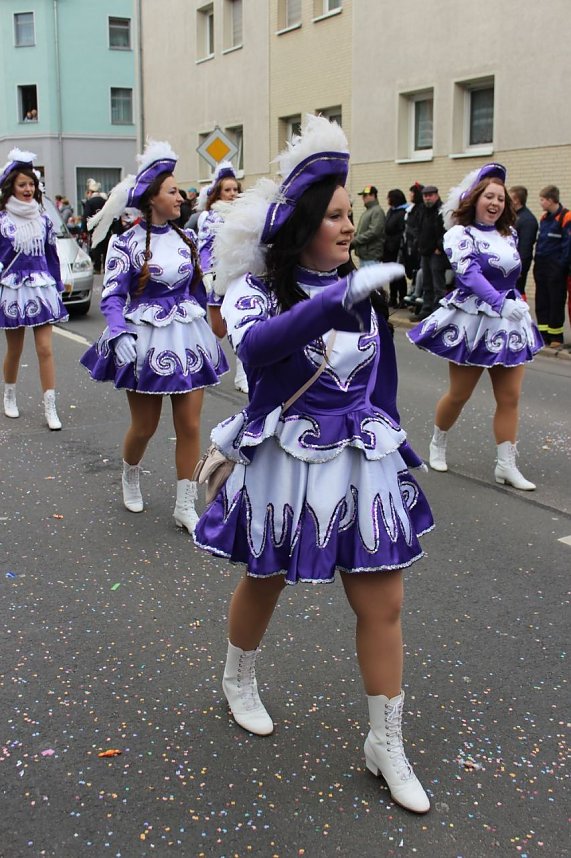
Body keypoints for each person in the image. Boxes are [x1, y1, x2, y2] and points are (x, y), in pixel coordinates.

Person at [194, 115, 433, 814]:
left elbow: (378, 378)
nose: (347, 224)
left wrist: (392, 435)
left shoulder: (362, 287)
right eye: (332, 214)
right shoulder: (252, 291)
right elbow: (260, 349)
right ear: (299, 224)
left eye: (347, 212)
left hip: (358, 459)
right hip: (284, 458)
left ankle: (384, 743)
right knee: (264, 578)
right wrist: (333, 301)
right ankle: (239, 677)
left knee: (383, 602)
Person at [80, 140, 229, 532]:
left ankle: (185, 504)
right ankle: (130, 472)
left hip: (187, 338)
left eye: (179, 191)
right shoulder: (125, 242)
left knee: (191, 426)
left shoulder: (187, 240)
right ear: (152, 200)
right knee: (144, 427)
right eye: (172, 191)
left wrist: (216, 319)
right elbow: (112, 294)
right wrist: (118, 333)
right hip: (147, 341)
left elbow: (198, 290)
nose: (180, 197)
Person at [408, 163, 543, 489]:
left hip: (509, 320)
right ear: (475, 199)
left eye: (500, 197)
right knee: (459, 394)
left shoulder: (508, 233)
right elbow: (468, 275)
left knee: (510, 397)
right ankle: (438, 441)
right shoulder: (459, 233)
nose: (495, 202)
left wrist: (515, 301)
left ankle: (506, 465)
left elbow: (511, 271)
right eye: (489, 196)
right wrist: (499, 303)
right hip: (474, 319)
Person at [0, 148, 67, 429]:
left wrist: (58, 285)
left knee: (45, 349)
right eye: (22, 184)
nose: (28, 189)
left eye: (32, 184)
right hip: (14, 287)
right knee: (14, 349)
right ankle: (10, 394)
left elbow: (52, 256)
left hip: (41, 287)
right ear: (11, 187)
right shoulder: (2, 221)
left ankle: (50, 407)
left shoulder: (44, 220)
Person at [196, 161, 247, 392]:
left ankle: (243, 374)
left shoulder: (245, 214)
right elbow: (204, 247)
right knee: (219, 329)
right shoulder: (209, 217)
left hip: (241, 276)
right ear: (218, 192)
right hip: (217, 278)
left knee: (241, 323)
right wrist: (206, 272)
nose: (232, 194)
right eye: (227, 190)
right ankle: (202, 361)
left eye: (235, 189)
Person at [533, 185, 571, 348]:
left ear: (550, 200)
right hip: (541, 264)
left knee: (555, 300)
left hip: (556, 267)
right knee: (542, 300)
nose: (540, 203)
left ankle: (556, 336)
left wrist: (561, 265)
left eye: (542, 200)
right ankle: (543, 334)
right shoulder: (544, 218)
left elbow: (568, 245)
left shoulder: (566, 217)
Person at [416, 185, 447, 319]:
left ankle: (438, 311)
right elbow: (417, 228)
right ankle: (426, 309)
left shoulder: (442, 210)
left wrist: (440, 247)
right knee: (426, 283)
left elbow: (447, 230)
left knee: (437, 285)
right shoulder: (422, 210)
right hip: (425, 251)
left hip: (437, 253)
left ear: (436, 195)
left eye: (430, 195)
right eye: (425, 195)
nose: (427, 198)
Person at [383, 189, 408, 307]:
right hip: (388, 247)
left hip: (397, 247)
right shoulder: (391, 211)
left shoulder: (403, 212)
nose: (387, 200)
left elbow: (401, 231)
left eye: (389, 197)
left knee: (399, 274)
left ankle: (402, 298)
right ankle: (393, 297)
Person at [351, 185, 386, 265]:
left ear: (373, 195)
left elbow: (374, 232)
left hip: (371, 256)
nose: (363, 198)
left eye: (365, 195)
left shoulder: (377, 211)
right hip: (365, 255)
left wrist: (355, 240)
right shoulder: (368, 212)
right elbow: (362, 231)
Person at [82, 179, 108, 274]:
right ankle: (106, 267)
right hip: (106, 228)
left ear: (90, 192)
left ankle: (97, 267)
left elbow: (86, 216)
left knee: (96, 247)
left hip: (95, 229)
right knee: (105, 248)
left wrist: (84, 229)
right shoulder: (105, 201)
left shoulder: (90, 202)